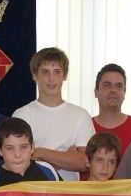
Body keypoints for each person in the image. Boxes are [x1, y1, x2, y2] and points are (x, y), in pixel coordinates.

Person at [12, 47, 94, 181]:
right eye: (45, 72)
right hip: (33, 194)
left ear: (65, 75)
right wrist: (66, 157)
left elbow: (85, 163)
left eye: (57, 72)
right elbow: (17, 160)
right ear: (34, 75)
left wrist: (40, 153)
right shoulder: (22, 115)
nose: (51, 78)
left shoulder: (80, 115)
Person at [89, 63, 131, 164]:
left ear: (124, 92)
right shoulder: (83, 126)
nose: (113, 90)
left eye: (119, 86)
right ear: (96, 91)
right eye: (107, 85)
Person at [0, 117, 60, 190]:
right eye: (9, 148)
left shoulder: (47, 170)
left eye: (23, 147)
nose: (17, 155)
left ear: (32, 147)